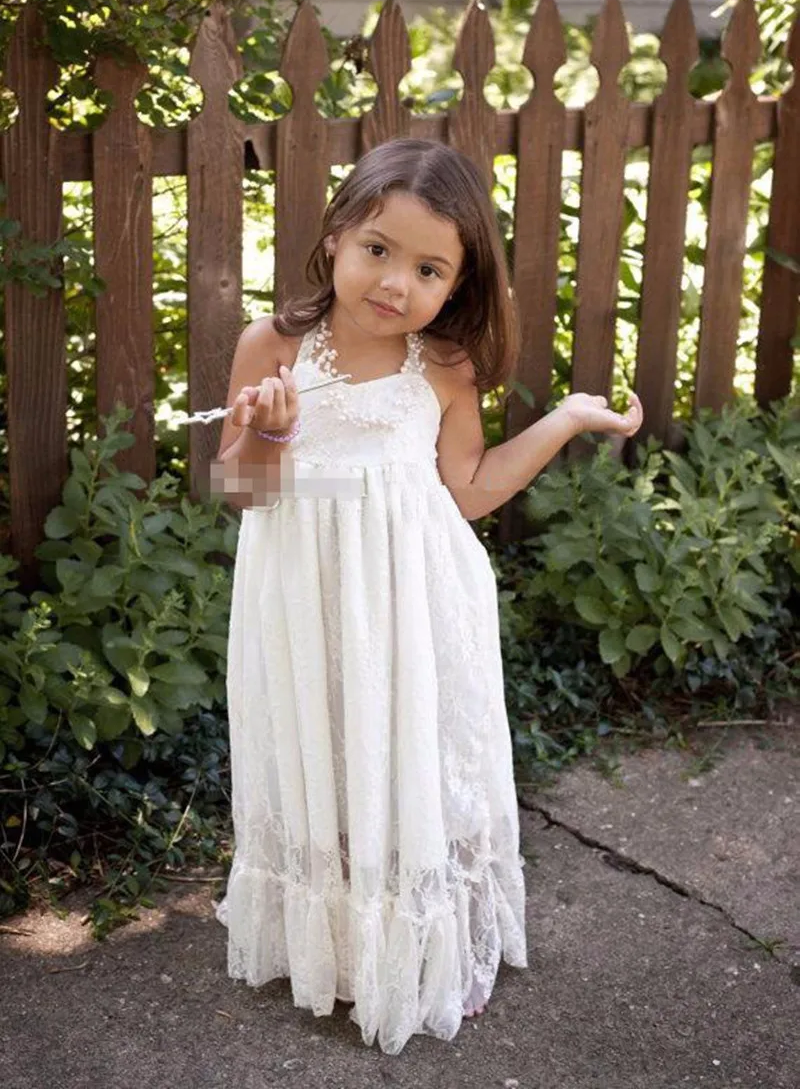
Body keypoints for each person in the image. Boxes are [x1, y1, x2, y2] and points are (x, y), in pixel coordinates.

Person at [211, 138, 643, 1056]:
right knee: (321, 748)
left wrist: (564, 417)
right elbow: (239, 494)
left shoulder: (442, 366)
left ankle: (418, 943)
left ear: (457, 283)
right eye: (379, 249)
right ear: (335, 237)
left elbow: (472, 488)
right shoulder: (272, 346)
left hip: (410, 604)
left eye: (429, 267)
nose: (395, 282)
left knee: (401, 758)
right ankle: (329, 941)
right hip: (302, 601)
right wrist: (272, 438)